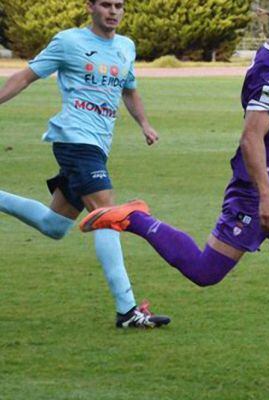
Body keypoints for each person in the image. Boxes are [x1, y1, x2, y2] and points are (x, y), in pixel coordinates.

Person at [79, 0, 269, 393]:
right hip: (257, 194)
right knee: (206, 273)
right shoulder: (267, 71)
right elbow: (251, 138)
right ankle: (135, 218)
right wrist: (266, 197)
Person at [0, 0, 169, 329]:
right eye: (106, 4)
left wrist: (145, 124)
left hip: (97, 146)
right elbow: (24, 76)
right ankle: (127, 310)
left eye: (119, 5)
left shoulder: (125, 47)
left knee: (54, 226)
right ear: (90, 7)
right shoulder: (69, 42)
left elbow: (129, 90)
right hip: (74, 140)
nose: (113, 11)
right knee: (106, 213)